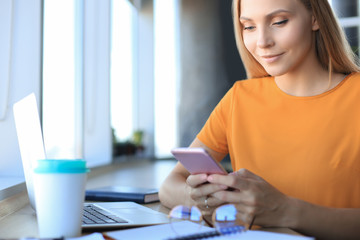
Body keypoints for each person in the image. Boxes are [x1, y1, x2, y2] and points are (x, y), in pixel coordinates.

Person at [159, 0, 360, 239]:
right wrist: (210, 201)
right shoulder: (239, 98)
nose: (263, 42)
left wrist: (287, 211)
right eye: (249, 27)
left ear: (315, 18)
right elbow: (170, 185)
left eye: (279, 22)